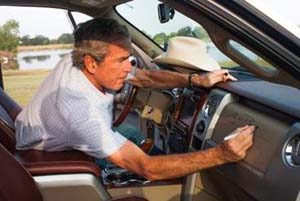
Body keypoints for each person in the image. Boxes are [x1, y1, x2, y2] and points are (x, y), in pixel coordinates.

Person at [15, 18, 254, 181]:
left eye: (129, 59)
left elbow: (145, 78)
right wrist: (220, 154)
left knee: (136, 137)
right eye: (121, 61)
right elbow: (145, 167)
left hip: (42, 131)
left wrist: (196, 81)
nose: (128, 67)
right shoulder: (82, 112)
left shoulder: (80, 57)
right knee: (146, 154)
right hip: (47, 148)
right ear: (90, 63)